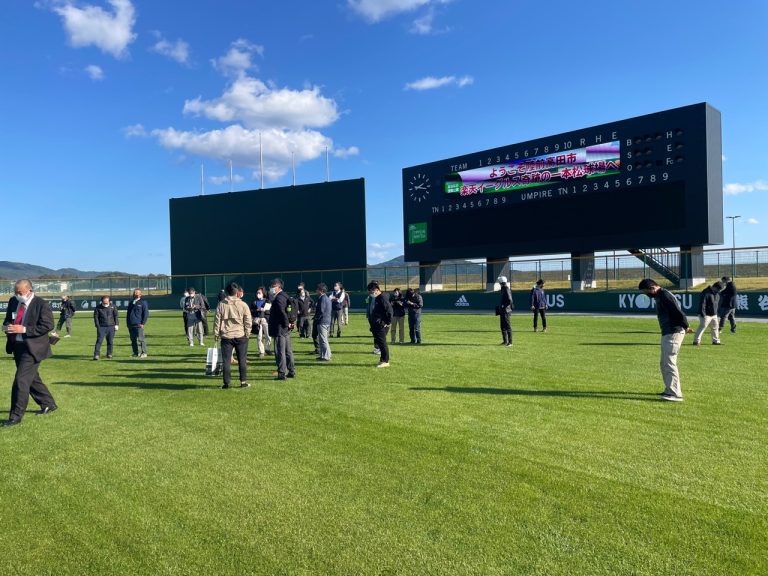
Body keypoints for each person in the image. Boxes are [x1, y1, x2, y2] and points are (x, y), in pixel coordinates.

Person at [2, 279, 58, 426]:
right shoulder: (13, 301)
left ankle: (15, 416)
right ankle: (48, 403)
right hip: (17, 346)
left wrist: (24, 329)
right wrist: (7, 326)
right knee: (32, 379)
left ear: (29, 290)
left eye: (20, 292)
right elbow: (8, 320)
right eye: (15, 292)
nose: (17, 295)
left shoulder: (41, 304)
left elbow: (47, 325)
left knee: (21, 380)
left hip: (33, 348)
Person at [638, 278, 693, 401]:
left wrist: (686, 326)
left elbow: (678, 312)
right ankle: (669, 389)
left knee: (669, 362)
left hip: (674, 332)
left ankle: (675, 393)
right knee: (664, 363)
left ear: (653, 288)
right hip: (667, 332)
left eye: (646, 291)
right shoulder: (660, 295)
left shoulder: (665, 295)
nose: (646, 294)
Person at [213, 282, 252, 389]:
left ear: (227, 292)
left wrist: (216, 334)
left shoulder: (221, 304)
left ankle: (226, 383)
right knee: (242, 360)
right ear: (237, 292)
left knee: (226, 361)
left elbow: (217, 321)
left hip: (226, 336)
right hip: (240, 335)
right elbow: (248, 321)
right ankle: (243, 382)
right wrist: (247, 333)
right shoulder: (243, 305)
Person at [267, 278, 295, 380]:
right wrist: (290, 324)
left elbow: (282, 314)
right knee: (288, 351)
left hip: (280, 328)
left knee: (280, 351)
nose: (271, 288)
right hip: (286, 328)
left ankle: (282, 373)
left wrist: (286, 324)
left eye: (273, 286)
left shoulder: (278, 298)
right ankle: (291, 371)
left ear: (278, 287)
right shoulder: (285, 295)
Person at [367, 281, 393, 368]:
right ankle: (382, 359)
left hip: (381, 324)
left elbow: (389, 311)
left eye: (371, 291)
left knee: (382, 343)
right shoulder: (377, 298)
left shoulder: (382, 297)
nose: (370, 293)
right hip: (375, 324)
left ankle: (385, 361)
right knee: (379, 342)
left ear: (376, 290)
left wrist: (387, 323)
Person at [693, 281, 724, 346]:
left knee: (715, 328)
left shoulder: (717, 293)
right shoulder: (705, 292)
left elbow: (716, 304)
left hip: (714, 314)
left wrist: (716, 314)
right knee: (702, 327)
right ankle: (696, 341)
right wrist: (703, 314)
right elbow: (702, 304)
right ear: (714, 287)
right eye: (718, 289)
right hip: (705, 314)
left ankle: (716, 341)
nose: (719, 291)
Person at [92, 295, 119, 360]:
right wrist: (97, 326)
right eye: (105, 300)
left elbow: (116, 316)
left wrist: (116, 325)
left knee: (110, 341)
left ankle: (109, 354)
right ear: (102, 301)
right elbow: (96, 318)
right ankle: (96, 355)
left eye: (107, 300)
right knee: (99, 341)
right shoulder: (98, 308)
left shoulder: (113, 306)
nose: (106, 301)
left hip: (111, 326)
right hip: (101, 327)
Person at [126, 288, 149, 358]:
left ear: (140, 294)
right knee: (133, 340)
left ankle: (144, 353)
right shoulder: (131, 302)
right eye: (134, 292)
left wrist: (143, 323)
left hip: (138, 324)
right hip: (131, 324)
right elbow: (128, 314)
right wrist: (128, 323)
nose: (135, 294)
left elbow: (145, 314)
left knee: (141, 339)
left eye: (137, 293)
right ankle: (135, 353)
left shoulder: (143, 302)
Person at [250, 287, 272, 357]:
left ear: (263, 294)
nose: (257, 294)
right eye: (257, 293)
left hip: (265, 320)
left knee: (268, 336)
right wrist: (257, 310)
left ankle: (268, 349)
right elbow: (250, 311)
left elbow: (270, 311)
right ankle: (261, 352)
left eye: (259, 293)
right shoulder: (254, 302)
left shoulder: (267, 301)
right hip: (257, 320)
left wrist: (264, 310)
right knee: (259, 337)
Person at [313, 282, 332, 361]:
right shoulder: (326, 298)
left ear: (321, 290)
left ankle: (325, 356)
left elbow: (321, 310)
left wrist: (316, 318)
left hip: (322, 321)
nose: (316, 290)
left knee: (323, 340)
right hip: (326, 321)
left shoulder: (322, 298)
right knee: (324, 339)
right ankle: (326, 354)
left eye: (317, 289)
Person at [497, 276, 514, 347]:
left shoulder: (506, 289)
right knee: (502, 326)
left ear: (501, 282)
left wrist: (503, 306)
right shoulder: (503, 289)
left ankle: (510, 342)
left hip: (506, 311)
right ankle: (505, 341)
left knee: (507, 326)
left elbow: (510, 300)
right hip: (503, 311)